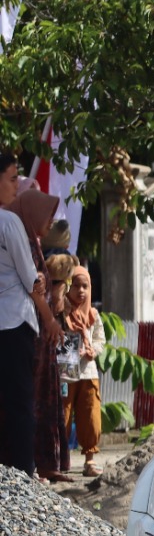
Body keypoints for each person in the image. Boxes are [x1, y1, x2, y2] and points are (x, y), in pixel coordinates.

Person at [9, 189, 68, 481]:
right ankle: (26, 467)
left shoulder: (32, 241)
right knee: (24, 401)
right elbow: (32, 286)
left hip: (33, 333)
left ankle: (41, 466)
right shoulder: (15, 233)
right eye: (47, 215)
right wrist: (50, 320)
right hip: (23, 331)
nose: (50, 221)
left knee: (35, 400)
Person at [0, 151, 41, 474]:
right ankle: (23, 477)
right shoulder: (9, 221)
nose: (17, 186)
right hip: (14, 322)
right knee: (19, 404)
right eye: (12, 178)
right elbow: (30, 279)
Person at [59, 265, 103, 477]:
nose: (80, 291)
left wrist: (93, 349)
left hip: (88, 373)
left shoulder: (93, 314)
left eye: (85, 286)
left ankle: (90, 460)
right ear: (67, 288)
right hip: (65, 374)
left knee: (90, 416)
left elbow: (100, 340)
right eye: (75, 285)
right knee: (63, 416)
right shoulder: (61, 313)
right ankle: (59, 460)